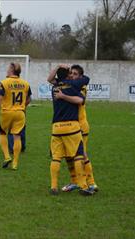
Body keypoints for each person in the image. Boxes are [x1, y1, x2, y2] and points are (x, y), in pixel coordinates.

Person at [47, 64, 98, 192]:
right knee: (71, 156)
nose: (72, 76)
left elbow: (80, 99)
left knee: (82, 155)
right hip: (71, 125)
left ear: (80, 76)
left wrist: (63, 95)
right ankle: (76, 181)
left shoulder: (79, 85)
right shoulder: (70, 84)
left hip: (80, 124)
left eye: (75, 74)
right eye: (71, 73)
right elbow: (52, 79)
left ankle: (91, 183)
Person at [0, 63, 32, 170]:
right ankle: (15, 163)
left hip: (7, 112)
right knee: (17, 136)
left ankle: (7, 157)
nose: (7, 70)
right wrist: (22, 106)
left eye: (8, 68)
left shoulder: (4, 83)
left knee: (3, 133)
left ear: (12, 69)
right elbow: (29, 99)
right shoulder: (26, 84)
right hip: (20, 113)